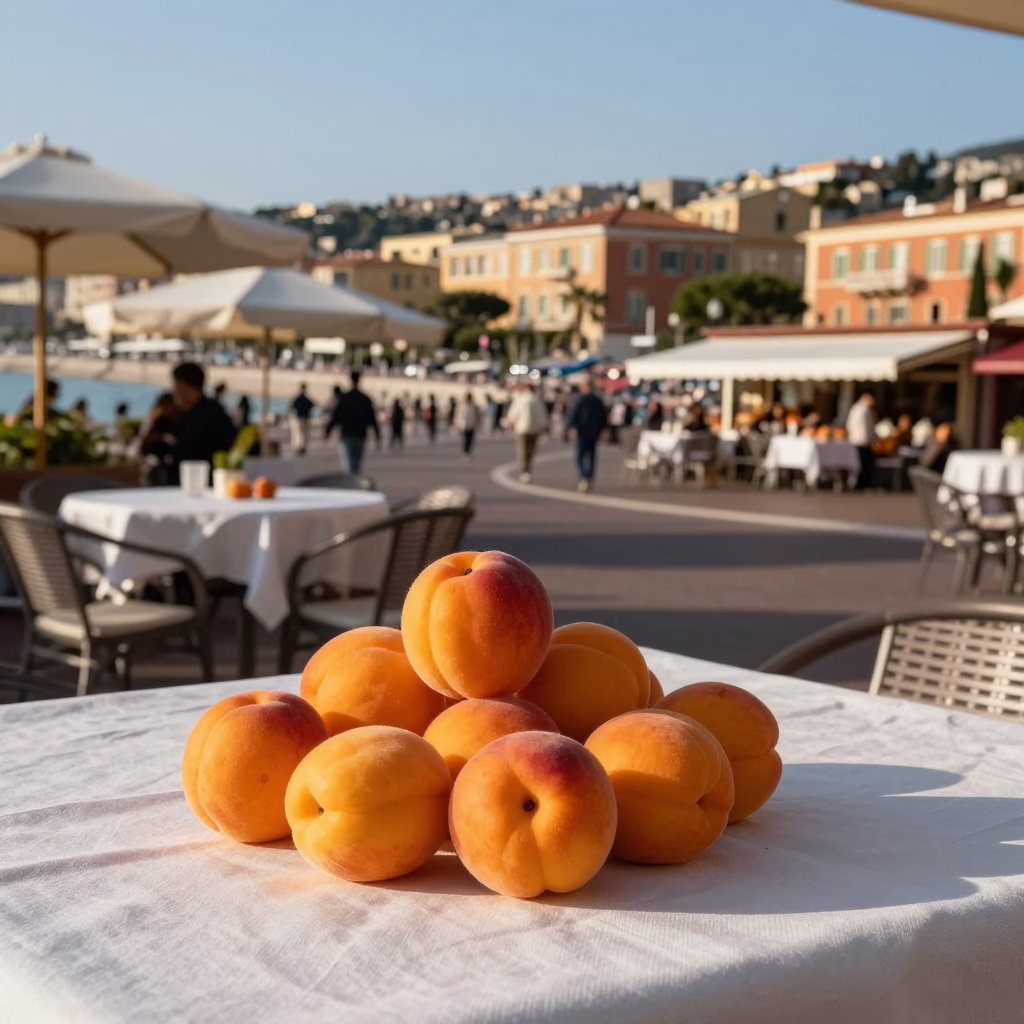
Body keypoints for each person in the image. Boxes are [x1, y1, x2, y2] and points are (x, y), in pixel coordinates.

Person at [168, 362, 238, 483]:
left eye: (177, 386)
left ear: (188, 388)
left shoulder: (212, 416)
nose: (173, 392)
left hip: (203, 486)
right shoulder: (185, 413)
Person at [324, 370, 380, 473]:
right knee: (357, 464)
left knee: (348, 464)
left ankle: (350, 483)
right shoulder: (365, 399)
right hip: (361, 434)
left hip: (346, 434)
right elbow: (372, 419)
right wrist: (377, 435)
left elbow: (336, 416)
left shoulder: (344, 398)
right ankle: (354, 482)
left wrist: (327, 431)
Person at [565, 377, 608, 492]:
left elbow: (574, 416)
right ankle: (588, 477)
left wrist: (569, 428)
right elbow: (603, 416)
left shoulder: (583, 400)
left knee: (581, 456)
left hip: (585, 432)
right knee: (590, 456)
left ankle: (585, 477)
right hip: (591, 432)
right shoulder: (596, 400)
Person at [504, 383, 549, 483]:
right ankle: (527, 470)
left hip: (521, 429)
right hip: (534, 429)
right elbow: (541, 415)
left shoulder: (520, 399)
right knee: (530, 451)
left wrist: (509, 422)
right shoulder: (537, 400)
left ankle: (524, 471)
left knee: (522, 451)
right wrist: (544, 426)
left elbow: (513, 413)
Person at [139, 392, 180, 486]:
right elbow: (144, 443)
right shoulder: (155, 420)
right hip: (154, 465)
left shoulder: (175, 421)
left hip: (169, 467)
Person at [845, 391, 877, 490]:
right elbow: (865, 428)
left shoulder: (855, 408)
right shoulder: (864, 410)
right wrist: (871, 438)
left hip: (855, 440)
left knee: (859, 463)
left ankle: (859, 483)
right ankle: (863, 484)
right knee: (864, 464)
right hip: (863, 441)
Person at [289, 383, 315, 455]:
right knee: (303, 433)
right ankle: (301, 447)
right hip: (304, 417)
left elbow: (291, 407)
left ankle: (298, 447)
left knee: (298, 433)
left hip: (298, 418)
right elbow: (313, 405)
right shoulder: (306, 399)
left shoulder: (298, 398)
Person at [455, 391, 481, 459]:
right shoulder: (462, 405)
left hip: (472, 424)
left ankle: (469, 451)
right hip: (464, 425)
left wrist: (478, 423)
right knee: (465, 439)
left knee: (471, 439)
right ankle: (465, 451)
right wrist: (457, 422)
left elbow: (477, 415)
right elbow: (458, 414)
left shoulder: (474, 406)